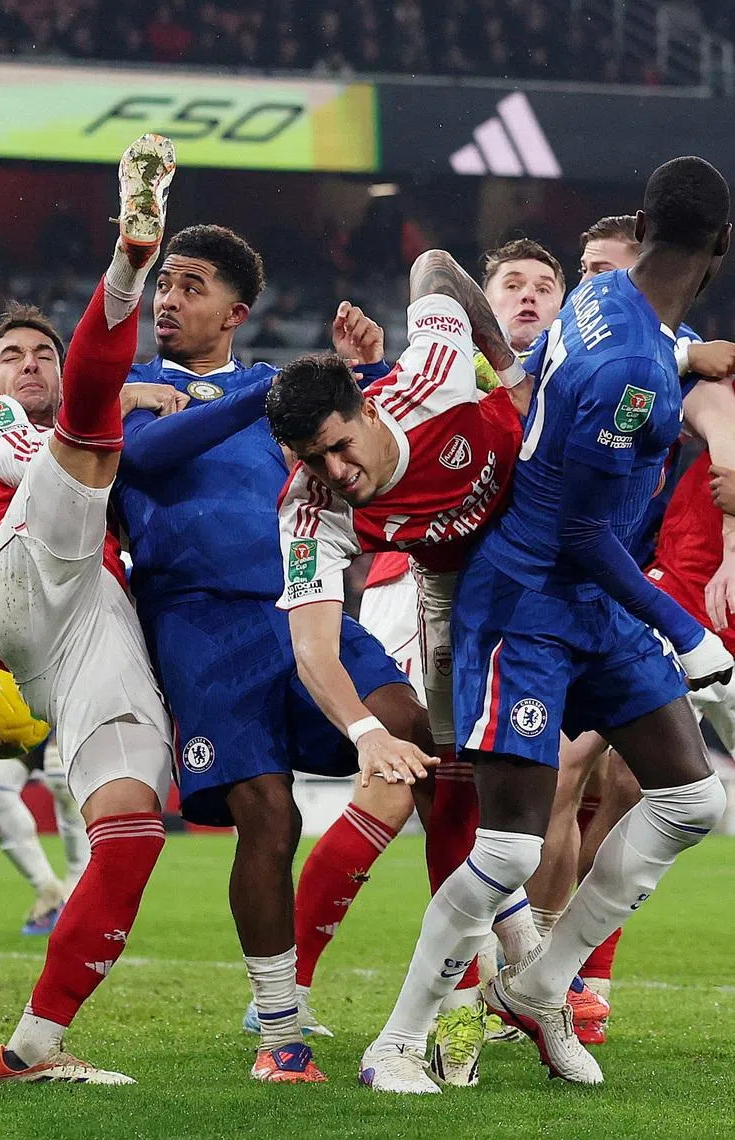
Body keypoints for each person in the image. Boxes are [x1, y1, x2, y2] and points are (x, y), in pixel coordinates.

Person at [362, 156, 733, 1094]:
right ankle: (397, 1041)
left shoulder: (607, 301)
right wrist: (683, 631)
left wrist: (695, 357)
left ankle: (538, 986)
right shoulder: (632, 373)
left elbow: (643, 358)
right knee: (511, 848)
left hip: (591, 601)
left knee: (693, 801)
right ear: (722, 247)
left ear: (640, 226)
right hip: (529, 599)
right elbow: (581, 528)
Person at [115, 225, 435, 1084]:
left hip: (304, 599)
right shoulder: (128, 388)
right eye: (164, 286)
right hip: (198, 624)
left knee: (410, 726)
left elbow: (361, 443)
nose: (168, 300)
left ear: (236, 311)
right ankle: (280, 1031)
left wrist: (356, 374)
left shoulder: (276, 399)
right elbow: (141, 457)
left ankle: (482, 963)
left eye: (189, 286)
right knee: (268, 813)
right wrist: (263, 391)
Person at [265, 251, 538, 1086]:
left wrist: (512, 365)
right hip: (450, 589)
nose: (337, 474)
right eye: (313, 459)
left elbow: (430, 266)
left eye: (341, 448)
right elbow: (313, 644)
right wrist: (364, 731)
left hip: (542, 552)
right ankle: (466, 1006)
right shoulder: (310, 507)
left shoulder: (439, 368)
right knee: (456, 781)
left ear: (366, 403)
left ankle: (537, 975)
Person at [0, 133, 180, 1084]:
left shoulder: (85, 433)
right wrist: (128, 394)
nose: (31, 363)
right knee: (83, 438)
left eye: (46, 351)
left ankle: (33, 1047)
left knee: (131, 830)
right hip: (19, 572)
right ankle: (130, 260)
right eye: (14, 355)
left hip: (86, 623)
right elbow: (54, 448)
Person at [524, 213, 735, 1029]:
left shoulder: (654, 353)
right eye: (589, 269)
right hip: (646, 588)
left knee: (634, 785)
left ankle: (569, 974)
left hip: (636, 578)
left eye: (604, 268)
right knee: (575, 770)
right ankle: (544, 968)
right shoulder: (630, 351)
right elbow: (711, 406)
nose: (596, 284)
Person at [0, 732, 90, 936]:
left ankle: (78, 896)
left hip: (70, 706)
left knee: (61, 774)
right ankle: (49, 892)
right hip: (18, 710)